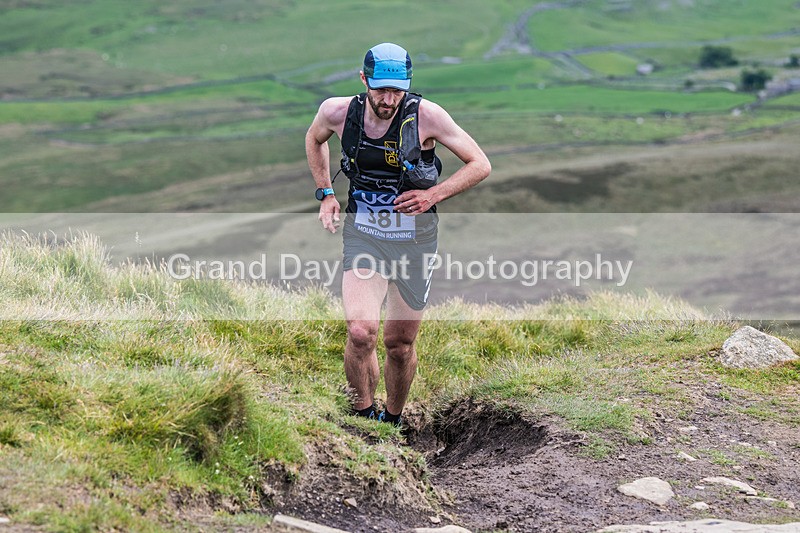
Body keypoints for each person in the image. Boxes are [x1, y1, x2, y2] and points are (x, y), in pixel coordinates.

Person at [305, 42, 490, 426]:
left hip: (415, 243)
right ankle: (363, 419)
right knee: (360, 332)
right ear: (363, 81)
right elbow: (314, 139)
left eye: (397, 91)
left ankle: (393, 419)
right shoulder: (338, 112)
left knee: (399, 345)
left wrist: (432, 194)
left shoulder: (428, 116)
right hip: (364, 234)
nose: (388, 100)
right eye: (380, 90)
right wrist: (325, 193)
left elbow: (480, 164)